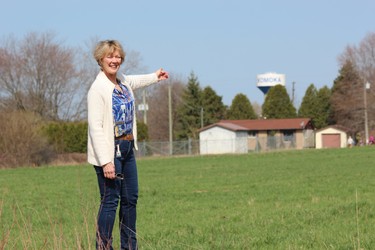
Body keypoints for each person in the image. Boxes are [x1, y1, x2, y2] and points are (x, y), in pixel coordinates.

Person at [87, 40, 168, 250]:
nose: (115, 60)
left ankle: (130, 246)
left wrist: (154, 76)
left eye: (117, 56)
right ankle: (103, 247)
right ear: (100, 60)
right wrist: (106, 162)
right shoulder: (98, 89)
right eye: (110, 57)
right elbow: (95, 128)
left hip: (128, 149)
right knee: (110, 202)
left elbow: (135, 80)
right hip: (109, 153)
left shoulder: (121, 81)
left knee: (130, 199)